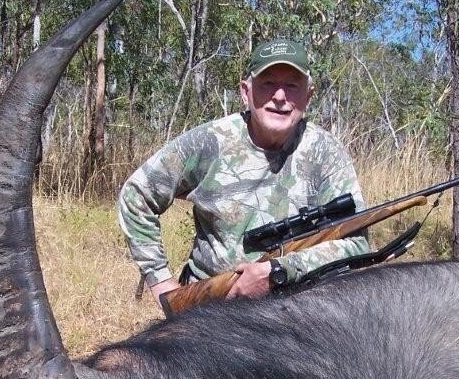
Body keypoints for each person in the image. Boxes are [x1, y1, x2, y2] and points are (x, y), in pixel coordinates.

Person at [117, 39, 370, 307]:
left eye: (292, 86)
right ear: (245, 92)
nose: (280, 97)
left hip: (298, 310)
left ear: (308, 96)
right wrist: (160, 281)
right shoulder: (211, 141)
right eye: (268, 83)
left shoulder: (325, 152)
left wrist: (279, 270)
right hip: (212, 308)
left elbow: (356, 244)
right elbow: (136, 196)